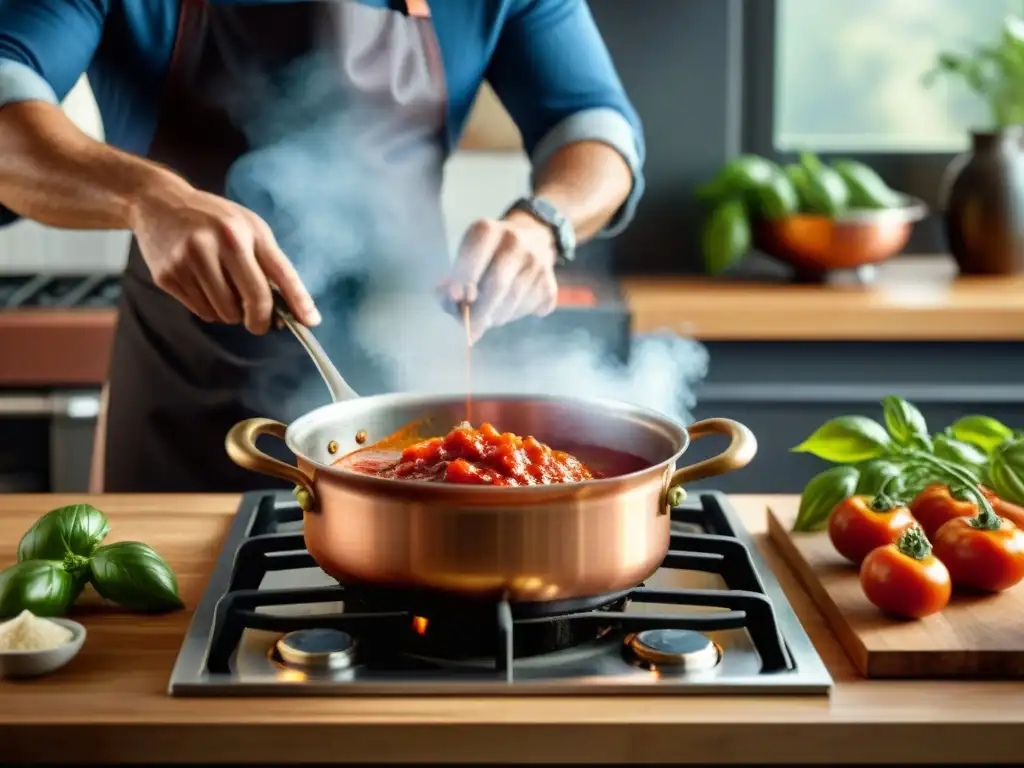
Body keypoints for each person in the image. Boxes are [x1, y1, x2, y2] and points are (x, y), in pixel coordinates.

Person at [0, 0, 645, 493]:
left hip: (409, 398)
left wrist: (543, 222)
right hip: (186, 405)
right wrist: (147, 195)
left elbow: (593, 125)